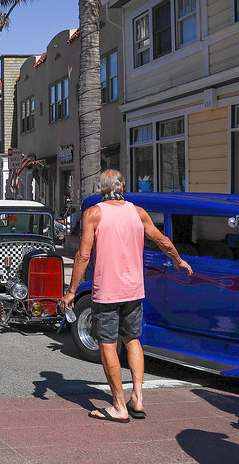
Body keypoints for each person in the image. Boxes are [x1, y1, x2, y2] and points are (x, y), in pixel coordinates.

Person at [60, 169, 192, 423]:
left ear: (101, 188)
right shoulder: (137, 212)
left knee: (108, 344)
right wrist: (178, 260)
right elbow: (162, 240)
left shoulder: (93, 214)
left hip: (107, 292)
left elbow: (82, 256)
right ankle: (138, 398)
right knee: (132, 340)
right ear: (122, 185)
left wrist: (72, 291)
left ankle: (119, 406)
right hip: (133, 290)